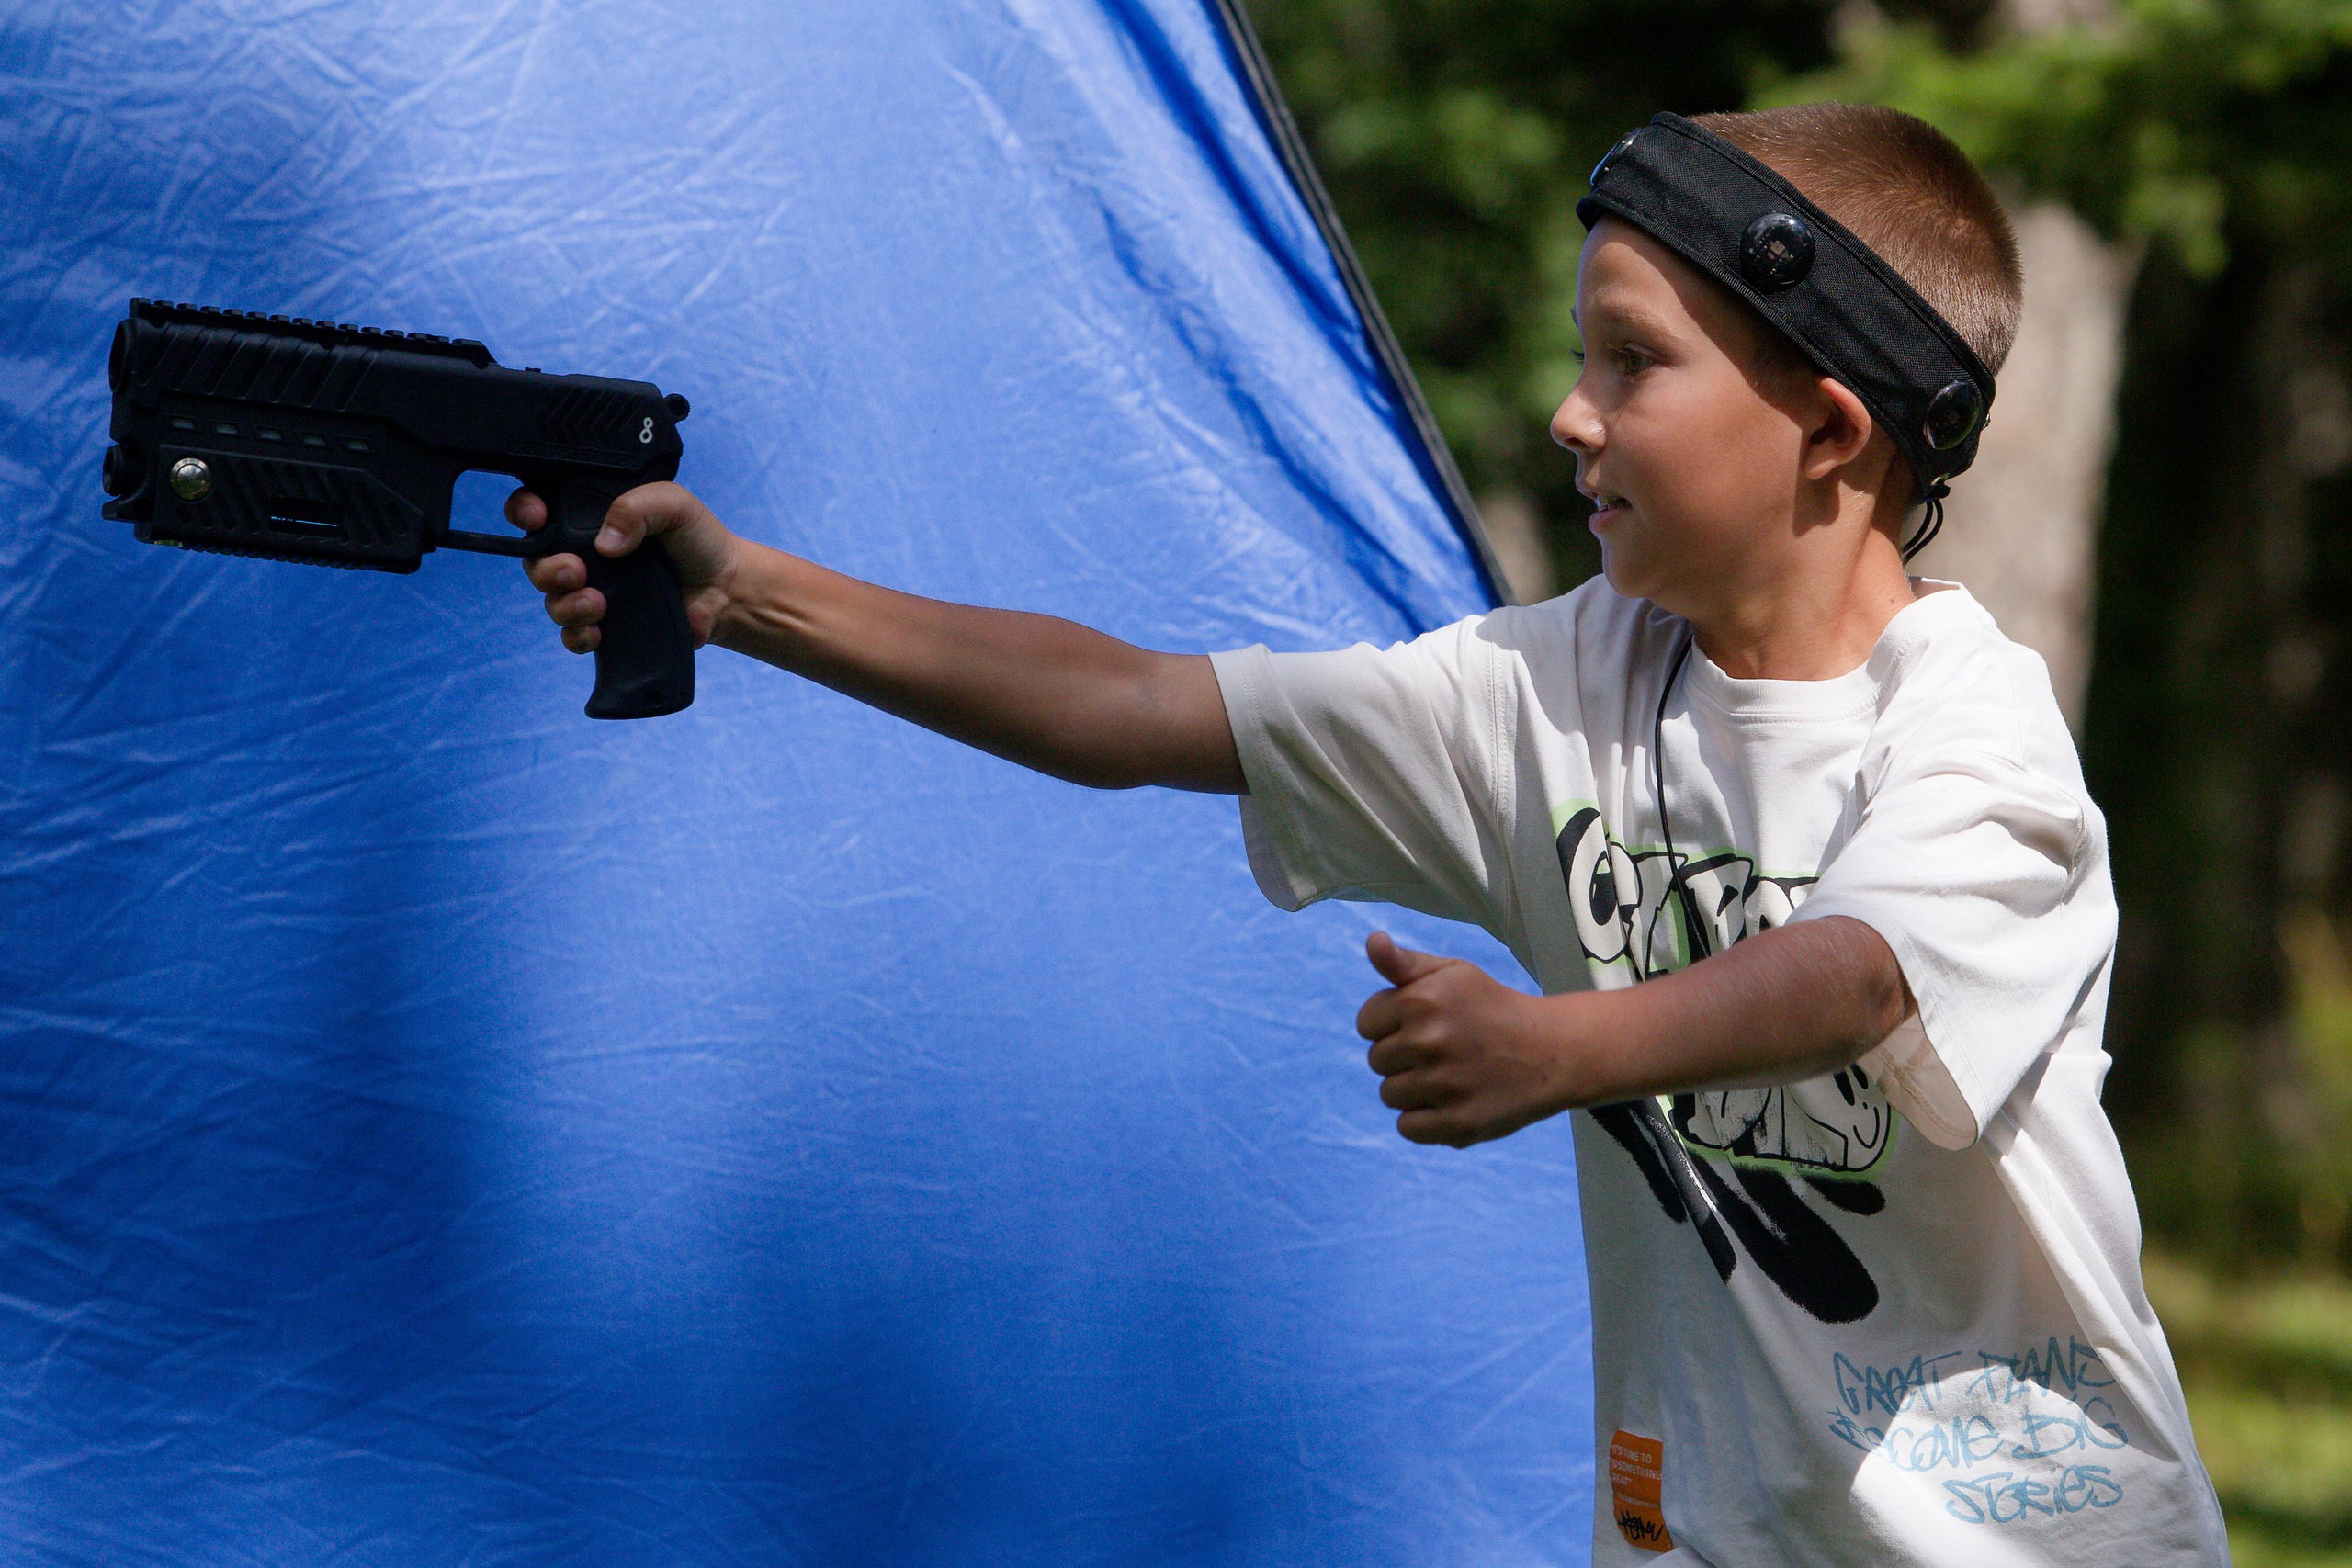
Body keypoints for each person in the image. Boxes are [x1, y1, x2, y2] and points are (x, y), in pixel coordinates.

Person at [511, 103, 2226, 1565]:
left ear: (1832, 431)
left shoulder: (1971, 726)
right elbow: (1137, 707)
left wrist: (1560, 1046)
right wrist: (747, 597)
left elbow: (1859, 977)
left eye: (1634, 361)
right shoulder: (1556, 691)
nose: (1572, 412)